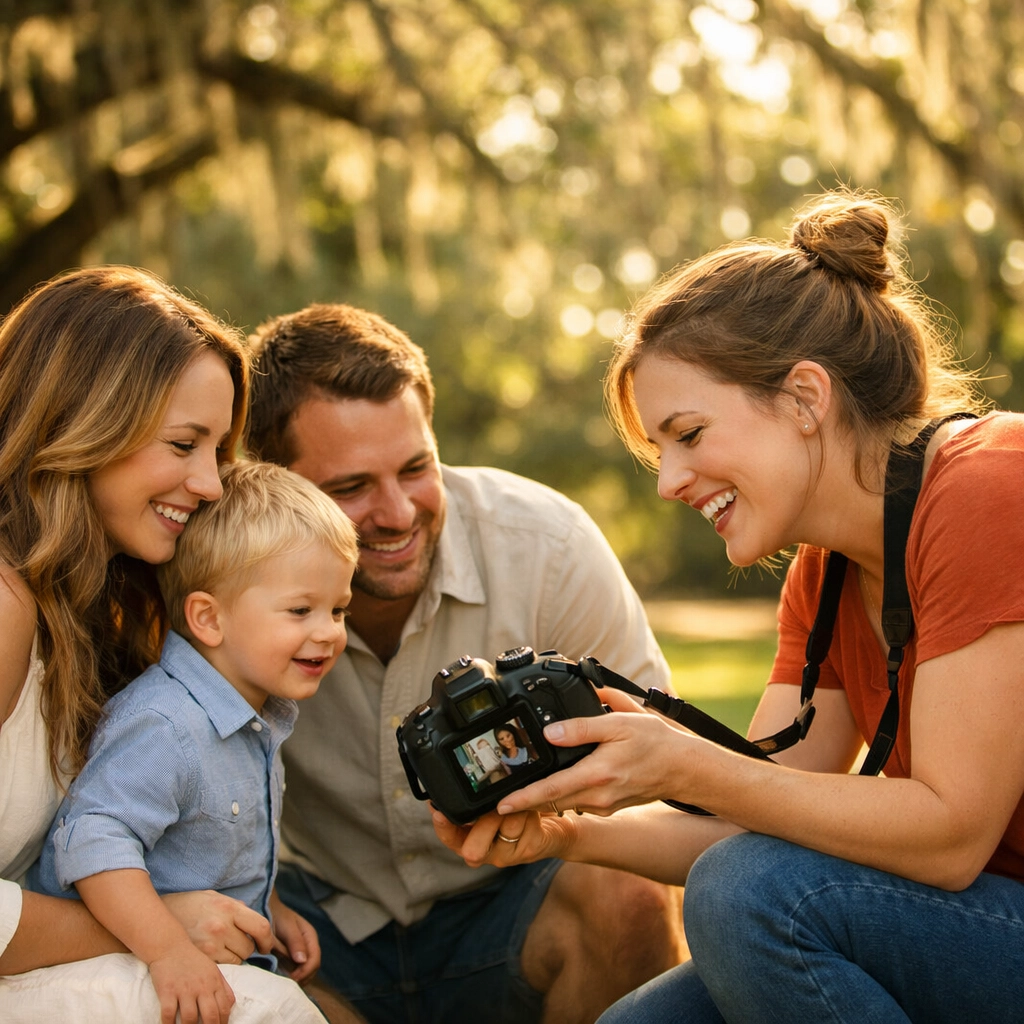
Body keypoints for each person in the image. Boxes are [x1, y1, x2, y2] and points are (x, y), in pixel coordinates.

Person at [433, 191, 1024, 1024]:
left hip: (982, 915)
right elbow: (769, 814)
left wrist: (682, 762)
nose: (670, 482)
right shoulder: (824, 579)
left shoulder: (987, 488)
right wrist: (569, 831)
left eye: (689, 434)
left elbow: (950, 833)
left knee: (748, 897)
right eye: (658, 450)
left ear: (805, 399)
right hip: (968, 929)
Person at [244, 303, 688, 1024]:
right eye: (351, 488)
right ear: (274, 483)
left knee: (627, 893)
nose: (396, 512)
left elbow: (658, 778)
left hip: (512, 898)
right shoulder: (215, 578)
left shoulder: (547, 547)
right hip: (317, 927)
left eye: (417, 468)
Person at [0, 267, 329, 1024]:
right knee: (268, 1012)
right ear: (79, 423)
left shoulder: (99, 610)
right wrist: (154, 928)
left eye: (218, 449)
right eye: (185, 443)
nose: (212, 484)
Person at [30, 459, 358, 1022]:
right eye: (301, 610)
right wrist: (168, 950)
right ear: (208, 618)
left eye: (338, 609)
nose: (328, 631)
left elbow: (223, 842)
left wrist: (270, 907)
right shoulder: (167, 725)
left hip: (204, 957)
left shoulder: (255, 716)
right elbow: (92, 844)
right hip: (117, 966)